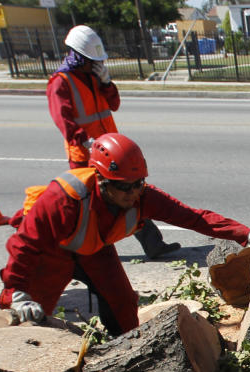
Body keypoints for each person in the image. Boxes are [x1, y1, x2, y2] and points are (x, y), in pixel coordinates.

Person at [0, 133, 250, 335]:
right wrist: (17, 292)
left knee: (123, 305)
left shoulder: (143, 197)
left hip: (96, 250)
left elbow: (194, 217)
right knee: (32, 320)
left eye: (138, 184)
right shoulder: (65, 199)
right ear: (101, 180)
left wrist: (247, 234)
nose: (132, 193)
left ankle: (124, 350)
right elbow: (25, 245)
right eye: (123, 187)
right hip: (51, 254)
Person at [48, 25, 181, 261]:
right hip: (85, 155)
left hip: (110, 153)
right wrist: (84, 140)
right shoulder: (61, 82)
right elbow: (64, 120)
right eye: (91, 60)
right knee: (93, 207)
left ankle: (153, 244)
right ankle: (80, 251)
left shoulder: (93, 77)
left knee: (132, 195)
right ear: (78, 56)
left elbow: (114, 104)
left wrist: (107, 83)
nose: (95, 65)